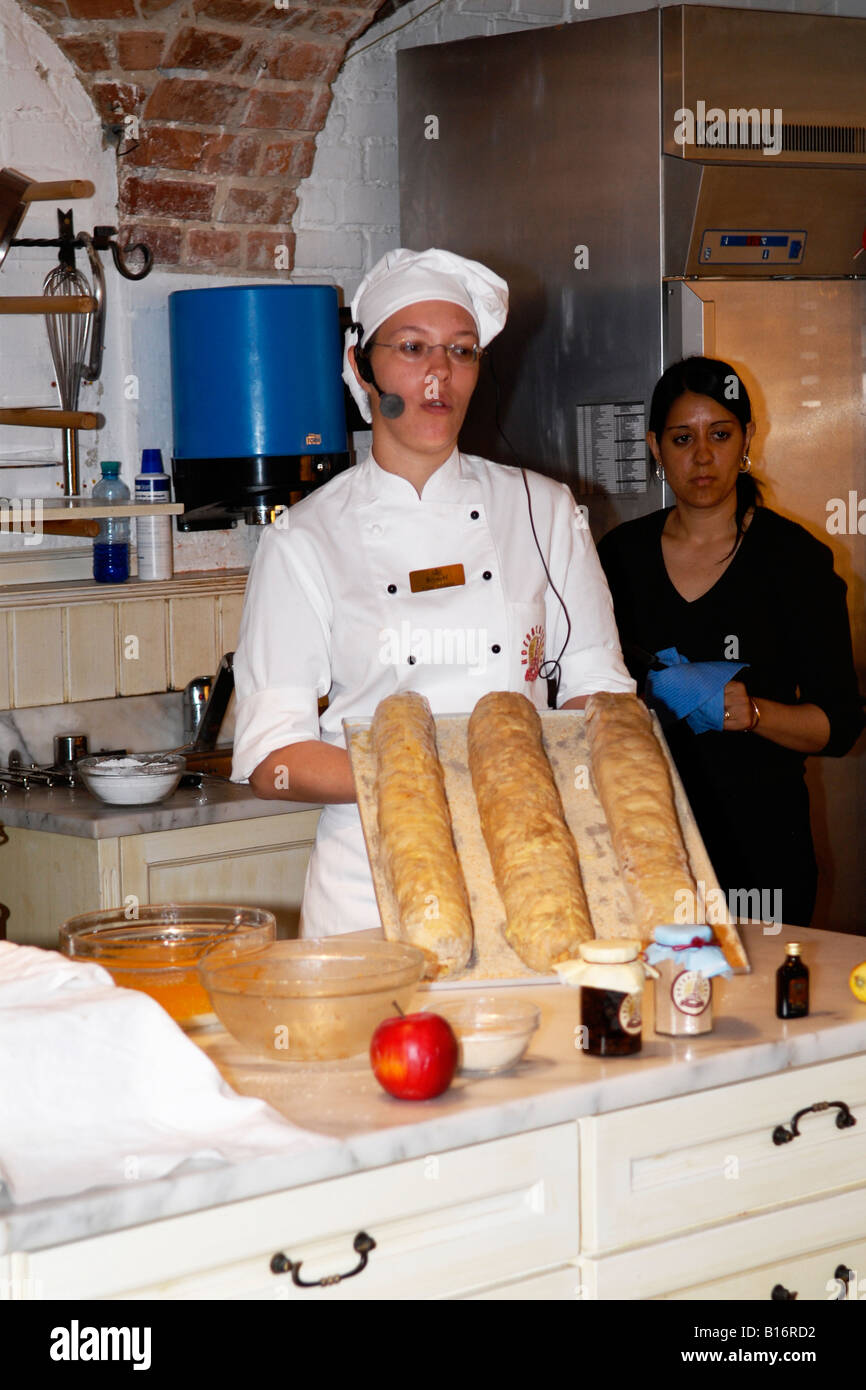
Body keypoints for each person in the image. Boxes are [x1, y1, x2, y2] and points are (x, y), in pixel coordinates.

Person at [231, 247, 634, 936]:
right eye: (413, 349)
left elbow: (601, 693)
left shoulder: (543, 510)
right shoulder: (305, 538)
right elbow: (274, 759)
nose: (440, 375)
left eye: (462, 351)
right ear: (362, 366)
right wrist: (433, 776)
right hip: (372, 889)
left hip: (531, 874)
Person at [597, 355, 863, 927]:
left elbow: (839, 726)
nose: (701, 456)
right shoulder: (617, 559)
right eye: (681, 437)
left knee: (755, 1006)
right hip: (641, 841)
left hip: (762, 849)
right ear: (654, 445)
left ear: (747, 440)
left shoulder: (794, 562)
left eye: (720, 434)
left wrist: (754, 713)